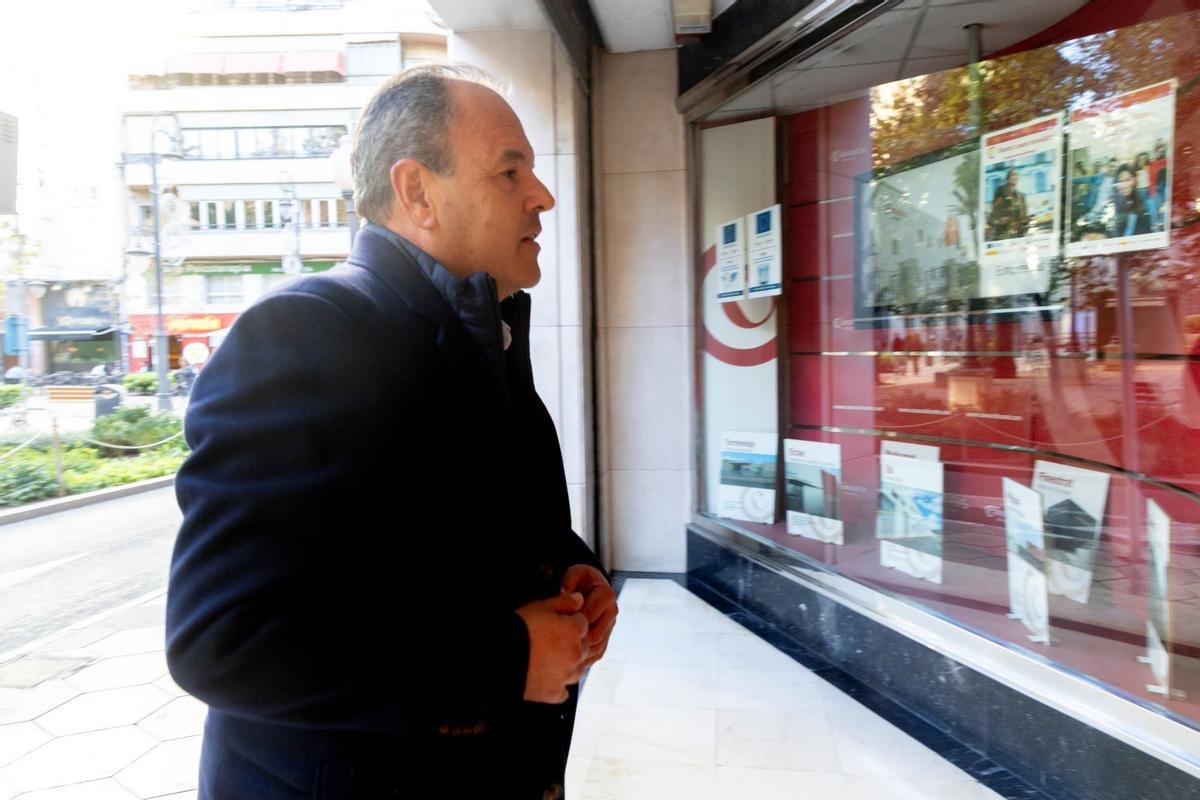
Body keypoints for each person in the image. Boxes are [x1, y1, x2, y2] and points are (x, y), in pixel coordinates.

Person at [166, 64, 617, 799]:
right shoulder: (306, 332)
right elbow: (226, 639)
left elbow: (465, 535)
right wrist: (507, 660)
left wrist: (571, 571)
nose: (543, 197)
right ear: (417, 192)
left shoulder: (484, 336)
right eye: (511, 172)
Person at [985, 168, 1028, 241]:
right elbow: (993, 215)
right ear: (1008, 178)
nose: (1015, 177)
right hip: (1002, 235)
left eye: (1016, 175)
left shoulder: (1021, 196)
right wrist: (1000, 221)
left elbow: (1024, 217)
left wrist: (1024, 222)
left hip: (1018, 235)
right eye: (1012, 175)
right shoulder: (1001, 190)